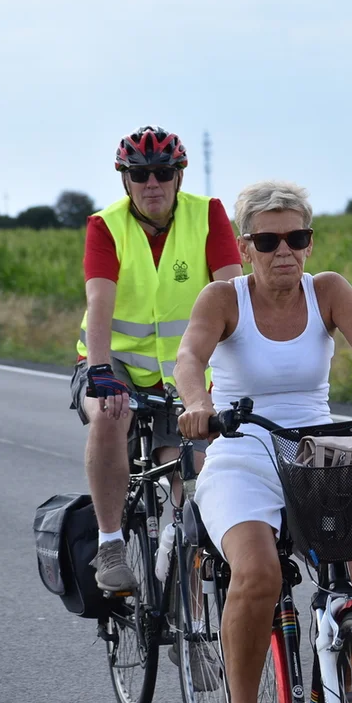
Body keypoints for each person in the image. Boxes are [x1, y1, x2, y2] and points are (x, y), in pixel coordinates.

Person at [174, 180, 352, 703]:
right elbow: (190, 358)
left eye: (297, 238)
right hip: (242, 452)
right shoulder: (223, 298)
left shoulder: (328, 291)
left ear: (310, 241)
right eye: (270, 240)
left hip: (314, 455)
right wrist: (194, 404)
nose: (285, 252)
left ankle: (338, 681)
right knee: (257, 576)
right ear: (245, 244)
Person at [70, 125, 243, 593]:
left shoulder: (207, 216)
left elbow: (235, 296)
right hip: (115, 363)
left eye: (162, 173)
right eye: (140, 174)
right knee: (109, 415)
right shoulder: (106, 226)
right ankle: (109, 547)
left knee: (195, 479)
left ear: (178, 176)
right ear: (125, 180)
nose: (152, 184)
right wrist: (102, 370)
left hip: (186, 372)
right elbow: (99, 301)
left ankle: (185, 610)